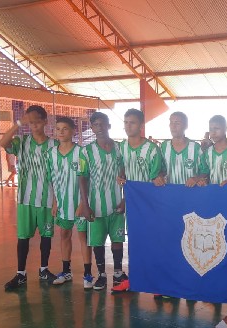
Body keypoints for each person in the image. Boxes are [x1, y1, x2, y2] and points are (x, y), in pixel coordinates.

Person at [1, 105, 58, 290]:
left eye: (37, 121)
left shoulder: (54, 145)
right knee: (23, 237)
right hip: (25, 199)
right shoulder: (22, 142)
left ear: (45, 122)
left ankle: (44, 270)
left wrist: (57, 199)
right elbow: (3, 142)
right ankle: (21, 274)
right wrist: (18, 123)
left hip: (47, 199)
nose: (33, 125)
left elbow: (59, 173)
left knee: (46, 235)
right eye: (30, 121)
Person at [114, 108, 162, 292]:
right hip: (132, 204)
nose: (128, 126)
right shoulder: (121, 147)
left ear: (141, 125)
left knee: (153, 242)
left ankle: (157, 282)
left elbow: (156, 178)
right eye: (125, 122)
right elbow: (122, 169)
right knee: (134, 241)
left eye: (132, 122)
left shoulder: (151, 149)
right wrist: (121, 177)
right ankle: (134, 280)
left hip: (150, 204)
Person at [78, 112, 127, 291]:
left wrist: (124, 200)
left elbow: (125, 175)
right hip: (95, 205)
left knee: (117, 239)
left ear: (109, 126)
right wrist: (85, 204)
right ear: (92, 128)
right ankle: (101, 275)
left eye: (102, 124)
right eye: (95, 125)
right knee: (97, 241)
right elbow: (82, 177)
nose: (99, 128)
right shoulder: (86, 151)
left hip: (116, 205)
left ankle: (118, 273)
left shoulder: (120, 149)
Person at [46, 117, 93, 288]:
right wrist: (55, 202)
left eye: (65, 129)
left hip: (79, 204)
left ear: (73, 131)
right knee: (64, 235)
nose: (61, 132)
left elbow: (86, 179)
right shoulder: (51, 154)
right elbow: (52, 180)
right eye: (58, 129)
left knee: (83, 237)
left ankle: (88, 274)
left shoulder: (81, 153)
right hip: (62, 203)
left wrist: (83, 202)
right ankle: (66, 271)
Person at [153, 112, 202, 187]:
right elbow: (161, 169)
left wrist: (196, 178)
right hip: (171, 192)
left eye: (177, 123)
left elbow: (205, 171)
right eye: (171, 123)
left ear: (186, 126)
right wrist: (159, 177)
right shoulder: (164, 146)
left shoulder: (196, 147)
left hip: (192, 193)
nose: (173, 126)